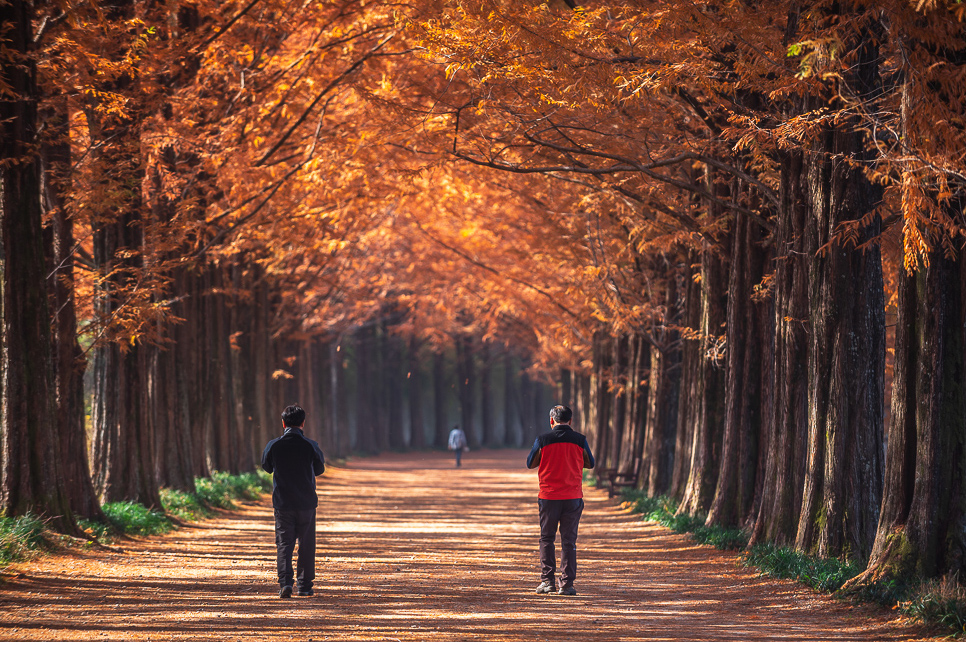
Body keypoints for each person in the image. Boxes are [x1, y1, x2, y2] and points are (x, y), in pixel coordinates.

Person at [526, 404, 595, 596]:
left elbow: (530, 463)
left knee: (547, 538)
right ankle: (566, 584)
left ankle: (547, 582)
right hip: (573, 496)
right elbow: (590, 463)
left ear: (551, 421)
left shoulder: (543, 439)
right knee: (569, 541)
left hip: (549, 496)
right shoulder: (580, 440)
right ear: (570, 421)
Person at [261, 404, 326, 598]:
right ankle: (305, 586)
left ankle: (285, 584)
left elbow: (266, 466)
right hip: (306, 502)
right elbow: (320, 468)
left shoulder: (274, 445)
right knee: (306, 544)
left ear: (283, 423)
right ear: (303, 423)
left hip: (283, 502)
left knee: (284, 543)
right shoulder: (311, 445)